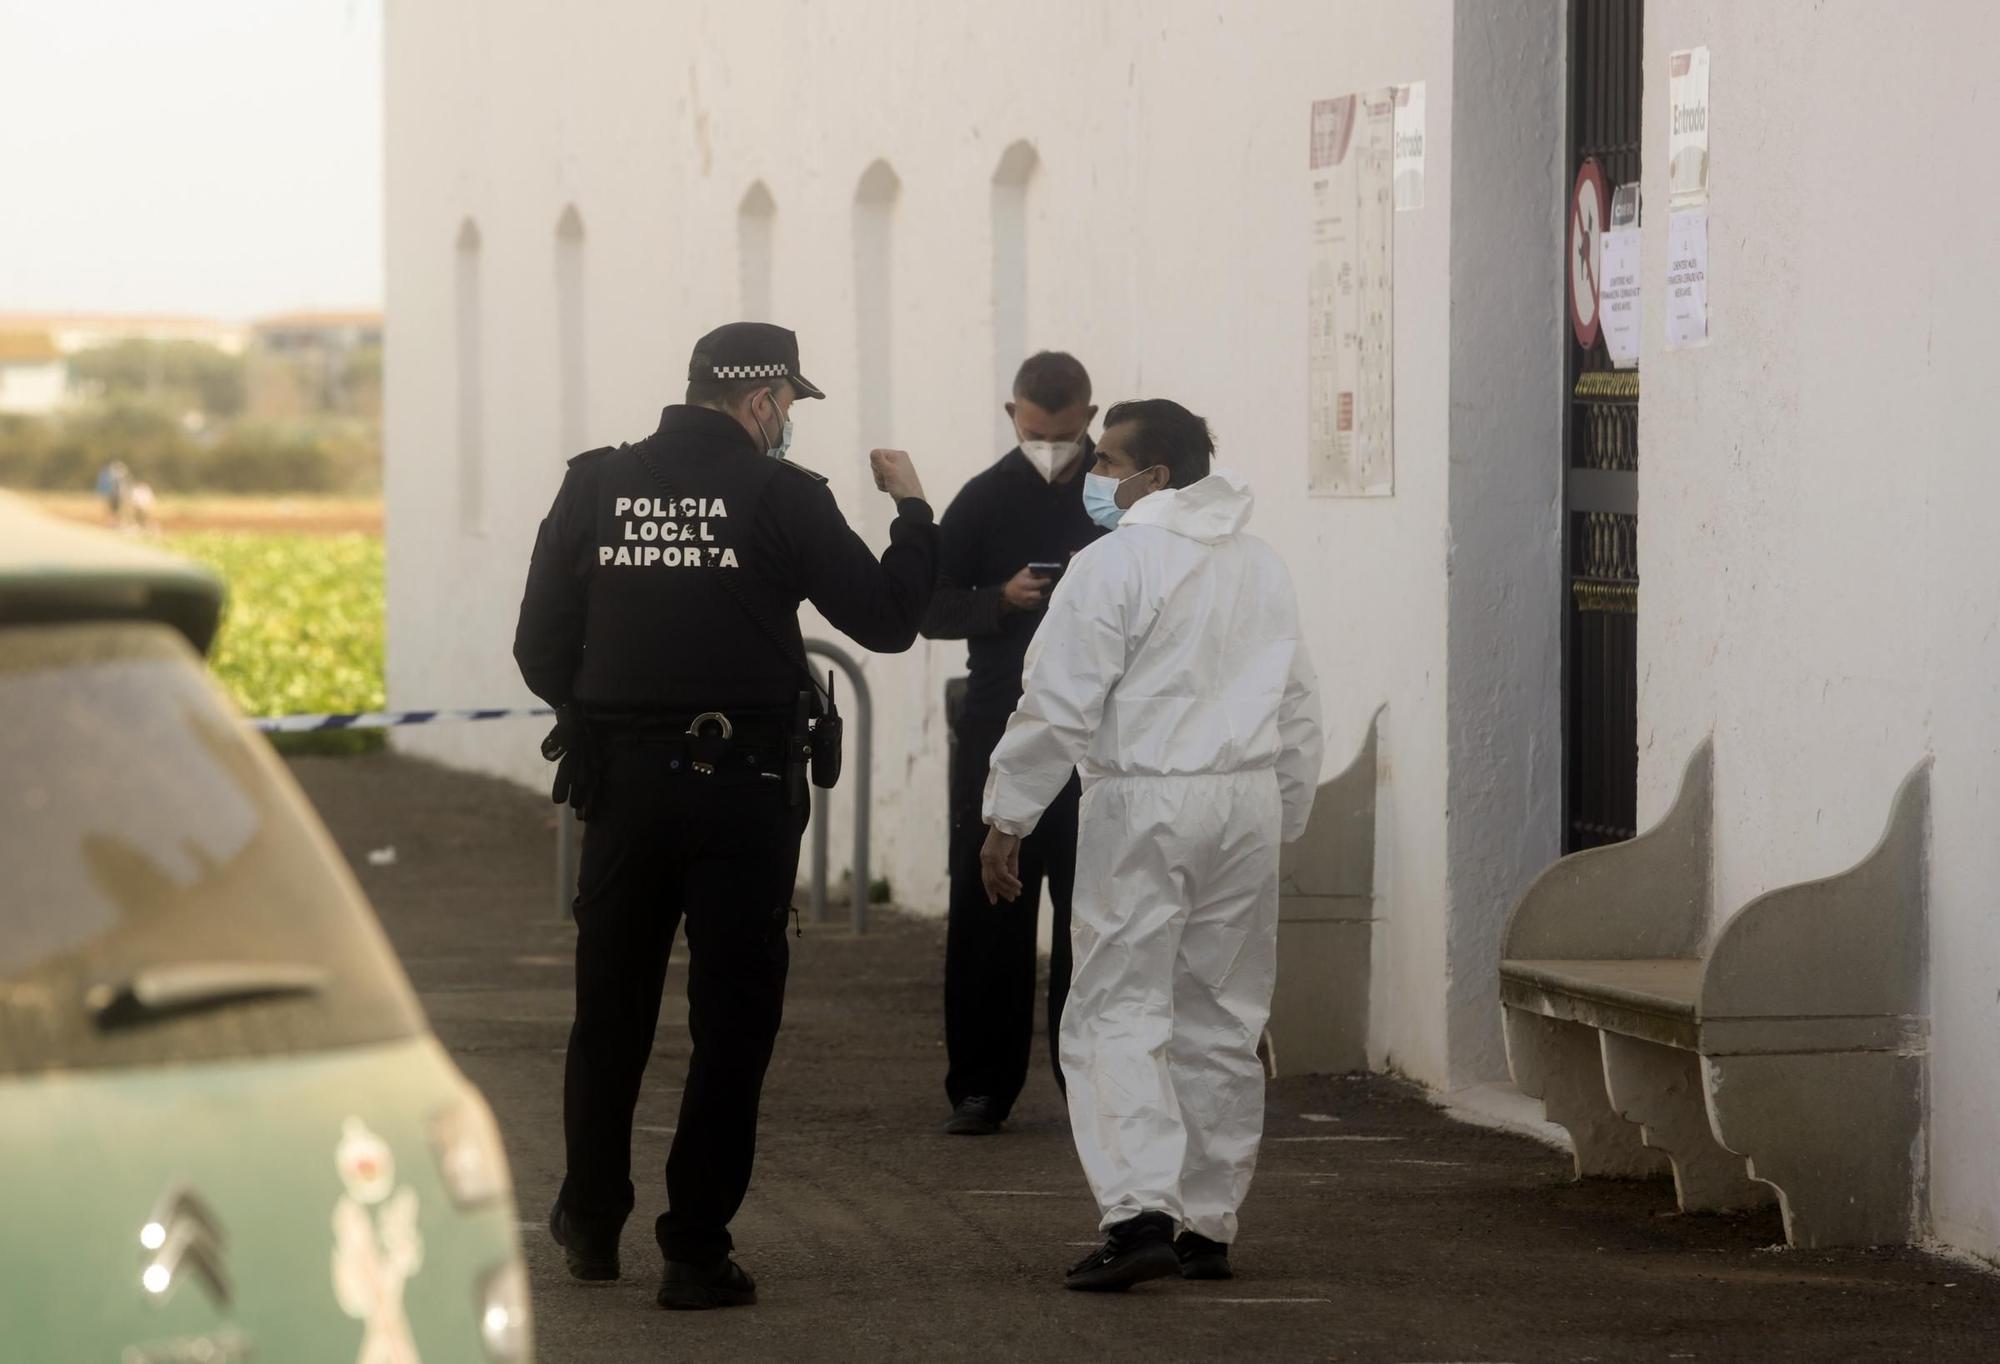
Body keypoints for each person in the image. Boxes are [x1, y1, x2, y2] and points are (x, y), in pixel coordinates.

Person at [512, 322, 937, 1310]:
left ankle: (588, 1218)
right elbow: (882, 615)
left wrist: (607, 711)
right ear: (759, 401)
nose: (785, 422)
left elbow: (538, 646)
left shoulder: (592, 484)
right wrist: (913, 510)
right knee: (732, 1020)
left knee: (609, 1009)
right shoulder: (781, 496)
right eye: (786, 404)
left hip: (622, 791)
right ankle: (694, 1248)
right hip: (742, 794)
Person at [977, 399, 1323, 1292]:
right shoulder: (1259, 564)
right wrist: (1282, 812)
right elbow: (1296, 704)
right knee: (1222, 1014)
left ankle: (1137, 1215)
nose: (1094, 473)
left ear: (1155, 476)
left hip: (1144, 800)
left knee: (1118, 1007)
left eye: (1107, 460)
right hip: (1242, 804)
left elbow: (1057, 702)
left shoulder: (1114, 565)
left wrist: (1007, 815)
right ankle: (1208, 1223)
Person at [922, 351, 1103, 1136]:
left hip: (1101, 729)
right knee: (990, 901)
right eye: (1037, 432)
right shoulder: (983, 500)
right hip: (1002, 717)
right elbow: (927, 607)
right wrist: (1000, 599)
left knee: (1090, 910)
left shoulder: (1117, 496)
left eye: (1066, 434)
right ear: (1012, 417)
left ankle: (1087, 1079)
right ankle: (982, 1087)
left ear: (1090, 419)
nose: (1053, 448)